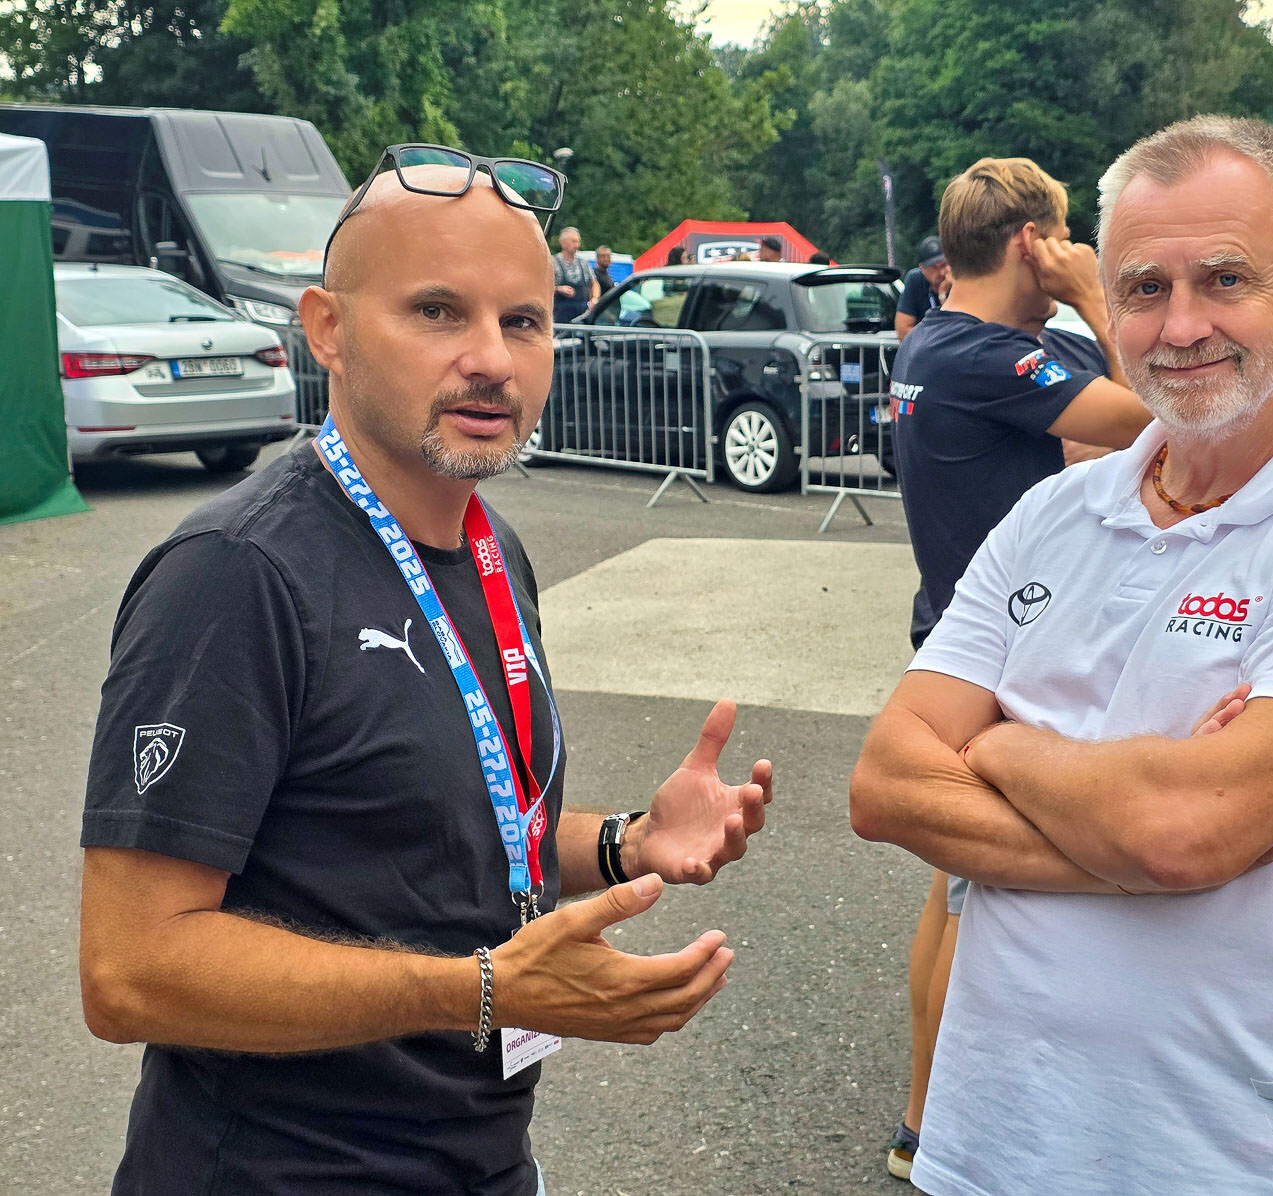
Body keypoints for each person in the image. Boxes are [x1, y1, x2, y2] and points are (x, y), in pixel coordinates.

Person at [78, 150, 774, 1194]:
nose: (491, 359)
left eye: (523, 320)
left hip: (480, 1158)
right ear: (327, 329)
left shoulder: (488, 547)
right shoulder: (236, 573)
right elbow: (130, 970)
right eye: (438, 311)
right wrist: (480, 989)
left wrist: (626, 841)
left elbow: (433, 832)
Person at [852, 116, 1273, 1194]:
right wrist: (1136, 828)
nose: (1180, 326)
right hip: (989, 1148)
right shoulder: (1053, 512)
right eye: (1142, 289)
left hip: (1240, 1159)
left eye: (1224, 278)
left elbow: (1185, 829)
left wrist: (996, 743)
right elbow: (883, 785)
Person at [881, 155, 1148, 1181]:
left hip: (960, 637)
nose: (1075, 252)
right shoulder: (988, 356)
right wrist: (1093, 296)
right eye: (1065, 236)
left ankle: (922, 1116)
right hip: (999, 658)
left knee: (952, 885)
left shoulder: (941, 340)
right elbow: (1159, 418)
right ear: (1031, 243)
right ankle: (938, 1130)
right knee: (977, 897)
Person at [894, 236, 951, 339]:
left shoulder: (958, 279)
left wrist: (943, 294)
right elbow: (903, 330)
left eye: (944, 265)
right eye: (934, 267)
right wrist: (935, 341)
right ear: (922, 268)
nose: (941, 272)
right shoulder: (915, 279)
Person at [553, 225, 598, 323]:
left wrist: (594, 299)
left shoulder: (583, 263)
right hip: (560, 316)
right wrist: (558, 289)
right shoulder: (552, 262)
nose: (577, 245)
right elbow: (541, 288)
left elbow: (594, 283)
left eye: (578, 241)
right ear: (563, 243)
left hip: (582, 314)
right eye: (573, 241)